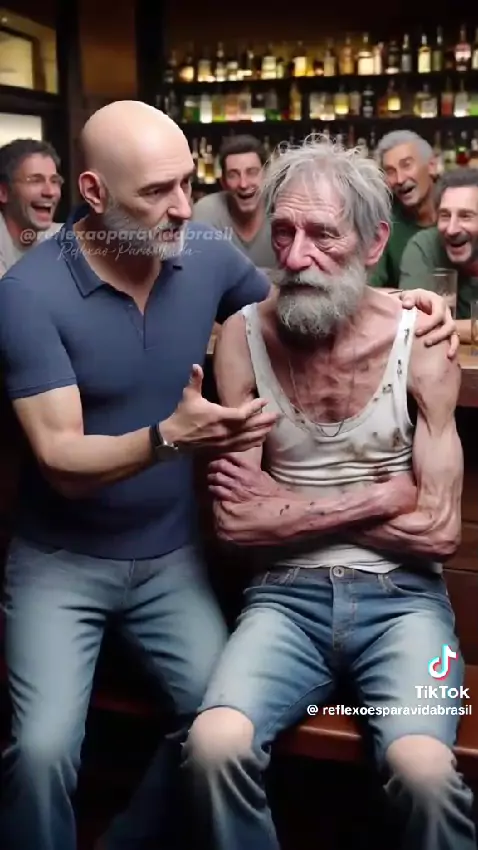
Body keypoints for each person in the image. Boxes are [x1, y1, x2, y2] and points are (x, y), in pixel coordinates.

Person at [0, 100, 457, 850]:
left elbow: (303, 290)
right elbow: (61, 460)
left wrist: (414, 302)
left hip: (171, 559)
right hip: (63, 563)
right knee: (45, 750)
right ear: (93, 192)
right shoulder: (26, 294)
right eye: (157, 192)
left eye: (188, 183)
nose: (184, 208)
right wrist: (168, 438)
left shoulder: (202, 251)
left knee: (206, 725)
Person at [182, 135, 475, 850]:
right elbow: (236, 525)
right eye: (283, 231)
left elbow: (439, 534)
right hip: (284, 600)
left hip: (408, 605)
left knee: (424, 772)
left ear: (374, 243)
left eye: (322, 234)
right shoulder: (243, 337)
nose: (294, 256)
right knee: (213, 746)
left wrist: (284, 507)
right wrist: (377, 499)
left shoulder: (421, 340)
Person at [400, 168, 478, 344]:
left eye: (465, 216)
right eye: (445, 215)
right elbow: (412, 322)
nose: (451, 229)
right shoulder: (425, 247)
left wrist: (445, 326)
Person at [192, 135, 277, 269]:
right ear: (223, 183)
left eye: (252, 172)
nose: (243, 184)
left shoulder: (281, 210)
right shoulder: (205, 213)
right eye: (233, 175)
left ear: (266, 176)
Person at [370, 130, 437, 288]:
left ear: (432, 166)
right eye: (390, 172)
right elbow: (370, 287)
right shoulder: (385, 224)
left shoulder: (460, 210)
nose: (399, 179)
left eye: (406, 165)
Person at [0, 138, 63, 276]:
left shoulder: (62, 237)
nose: (50, 192)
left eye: (54, 181)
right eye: (35, 181)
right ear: (3, 192)